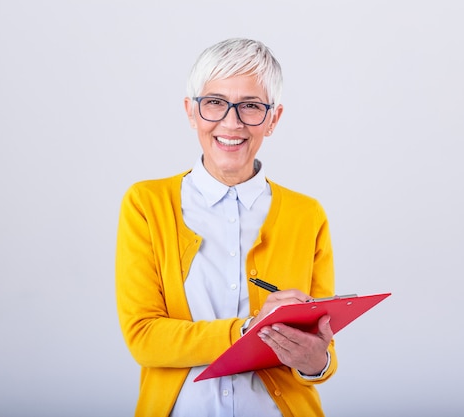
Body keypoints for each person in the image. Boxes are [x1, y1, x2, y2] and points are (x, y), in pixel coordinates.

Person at [115, 38, 337, 417]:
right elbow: (144, 338)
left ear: (273, 119)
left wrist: (316, 361)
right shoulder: (147, 205)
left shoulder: (307, 214)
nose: (231, 123)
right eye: (215, 103)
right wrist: (247, 329)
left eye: (250, 106)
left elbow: (320, 355)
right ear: (191, 111)